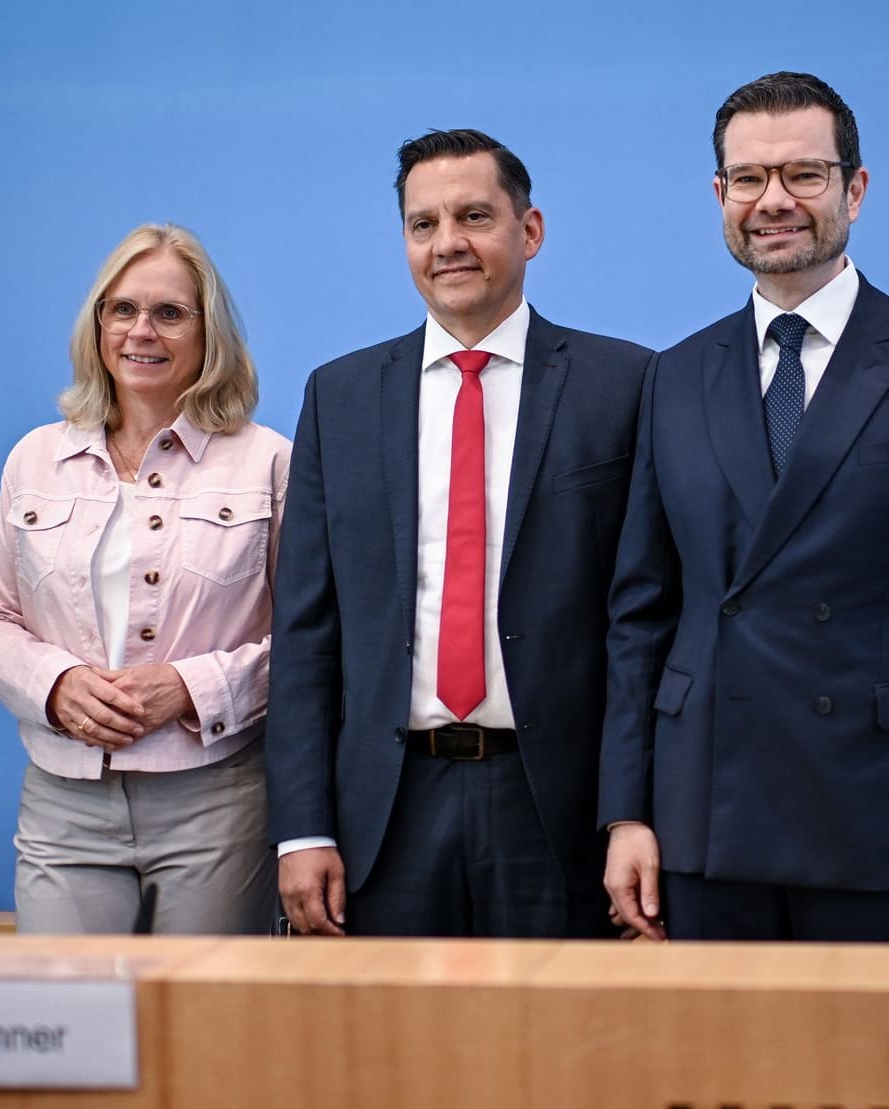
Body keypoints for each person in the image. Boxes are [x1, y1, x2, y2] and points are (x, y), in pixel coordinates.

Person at [600, 72, 889, 942]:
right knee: (719, 1073)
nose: (774, 201)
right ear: (719, 195)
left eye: (803, 174)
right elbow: (639, 615)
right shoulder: (676, 375)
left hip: (887, 814)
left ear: (856, 188)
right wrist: (627, 812)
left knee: (879, 1078)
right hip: (705, 816)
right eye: (749, 179)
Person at [269, 129, 652, 937]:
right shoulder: (338, 397)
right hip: (387, 809)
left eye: (474, 216)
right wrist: (303, 826)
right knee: (392, 1058)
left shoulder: (627, 385)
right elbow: (306, 633)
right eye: (423, 224)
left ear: (531, 230)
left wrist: (632, 810)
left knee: (559, 1055)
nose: (448, 243)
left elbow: (644, 624)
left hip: (560, 810)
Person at [0, 224, 289, 934]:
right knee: (66, 1028)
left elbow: (309, 640)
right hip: (63, 800)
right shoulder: (36, 458)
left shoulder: (268, 463)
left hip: (218, 801)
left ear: (209, 333)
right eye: (123, 309)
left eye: (170, 313)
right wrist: (55, 684)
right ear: (98, 324)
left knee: (206, 1031)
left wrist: (191, 687)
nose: (142, 330)